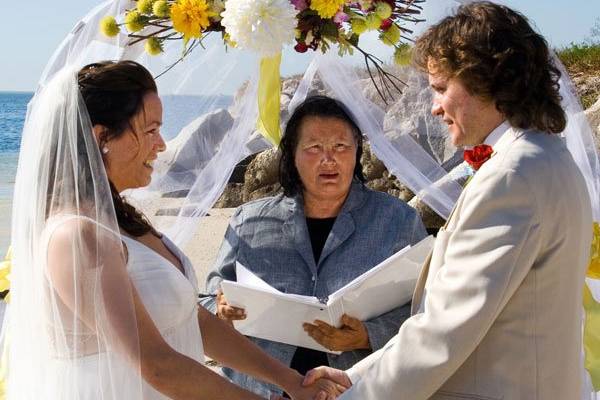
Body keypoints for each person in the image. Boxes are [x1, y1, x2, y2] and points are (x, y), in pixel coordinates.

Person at [302, 2, 593, 399]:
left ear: (483, 79)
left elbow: (446, 330)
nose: (435, 106)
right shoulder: (547, 157)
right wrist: (356, 375)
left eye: (440, 88)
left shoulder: (512, 176)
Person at [4, 60, 339, 400]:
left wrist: (290, 380)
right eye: (150, 131)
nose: (162, 144)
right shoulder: (76, 236)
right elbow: (156, 365)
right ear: (102, 137)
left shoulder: (122, 219)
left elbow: (194, 321)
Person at [199, 95, 427, 398]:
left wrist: (368, 335)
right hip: (259, 390)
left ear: (357, 150)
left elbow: (428, 311)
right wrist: (221, 309)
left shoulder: (398, 220)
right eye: (314, 148)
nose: (328, 159)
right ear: (292, 154)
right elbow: (205, 303)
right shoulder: (249, 221)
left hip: (358, 389)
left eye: (340, 147)